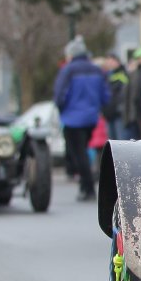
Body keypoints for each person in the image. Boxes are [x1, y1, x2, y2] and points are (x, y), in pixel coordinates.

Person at [52, 35, 109, 201]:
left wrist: (61, 109)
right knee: (82, 150)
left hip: (72, 118)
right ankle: (85, 186)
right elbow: (105, 95)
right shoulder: (96, 70)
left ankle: (88, 187)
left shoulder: (68, 70)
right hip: (91, 117)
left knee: (78, 154)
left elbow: (60, 95)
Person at [101, 53, 130, 140]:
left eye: (111, 61)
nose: (109, 63)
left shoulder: (123, 74)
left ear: (117, 61)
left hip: (118, 113)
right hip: (109, 113)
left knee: (120, 140)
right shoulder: (108, 75)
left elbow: (123, 94)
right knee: (111, 141)